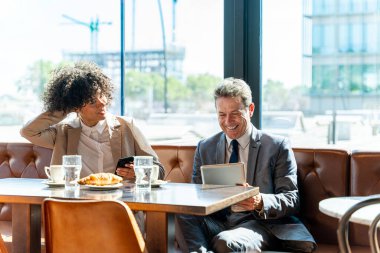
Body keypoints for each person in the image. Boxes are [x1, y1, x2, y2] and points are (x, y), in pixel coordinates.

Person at [176, 78, 316, 252]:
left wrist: (259, 201)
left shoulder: (277, 146)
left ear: (250, 110)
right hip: (218, 221)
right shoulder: (205, 147)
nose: (228, 121)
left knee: (225, 242)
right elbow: (194, 195)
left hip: (259, 224)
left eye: (235, 113)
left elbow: (291, 199)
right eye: (221, 114)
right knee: (183, 214)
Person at [20, 61, 165, 181]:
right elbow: (28, 131)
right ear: (76, 106)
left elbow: (159, 170)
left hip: (120, 204)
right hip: (77, 205)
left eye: (102, 95)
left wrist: (141, 173)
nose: (102, 103)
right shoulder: (63, 132)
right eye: (92, 101)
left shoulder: (126, 126)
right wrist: (64, 106)